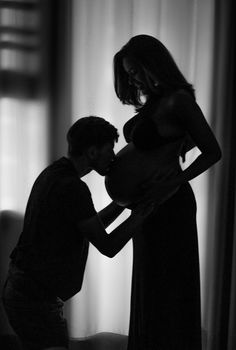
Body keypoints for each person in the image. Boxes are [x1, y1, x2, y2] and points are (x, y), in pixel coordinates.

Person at [2, 116, 150, 350]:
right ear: (92, 152)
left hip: (25, 291)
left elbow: (89, 225)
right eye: (109, 150)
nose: (113, 157)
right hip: (35, 299)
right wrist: (142, 214)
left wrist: (124, 204)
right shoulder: (73, 188)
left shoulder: (54, 174)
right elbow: (108, 246)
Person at [112, 34, 222, 350]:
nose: (132, 79)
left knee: (169, 286)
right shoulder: (155, 104)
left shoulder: (179, 101)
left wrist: (172, 182)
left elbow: (213, 151)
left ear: (152, 64)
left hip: (171, 206)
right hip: (148, 206)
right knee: (150, 284)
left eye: (135, 71)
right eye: (128, 73)